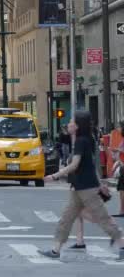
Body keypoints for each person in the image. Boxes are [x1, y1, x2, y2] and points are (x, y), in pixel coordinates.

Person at [38, 111, 124, 260]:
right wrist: (100, 182)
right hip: (79, 187)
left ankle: (121, 244)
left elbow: (75, 164)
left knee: (102, 218)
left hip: (87, 187)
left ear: (77, 126)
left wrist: (55, 175)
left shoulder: (81, 141)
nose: (69, 124)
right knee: (66, 218)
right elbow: (89, 165)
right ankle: (55, 250)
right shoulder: (83, 139)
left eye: (71, 122)